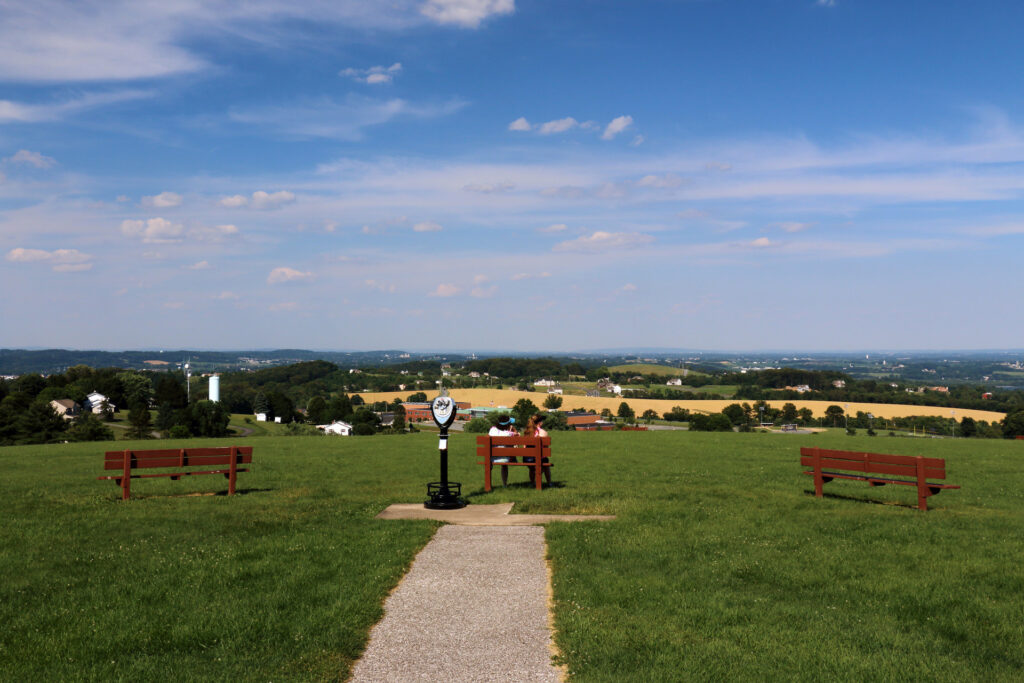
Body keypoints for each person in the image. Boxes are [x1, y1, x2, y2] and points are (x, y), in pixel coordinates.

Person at [488, 414, 518, 486]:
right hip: (504, 459)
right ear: (508, 425)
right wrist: (514, 431)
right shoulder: (509, 434)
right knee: (505, 461)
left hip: (491, 459)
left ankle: (488, 484)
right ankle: (504, 484)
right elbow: (517, 436)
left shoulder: (492, 430)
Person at [524, 413, 552, 487]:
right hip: (538, 458)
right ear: (540, 423)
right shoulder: (543, 432)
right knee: (545, 462)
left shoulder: (527, 432)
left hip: (527, 459)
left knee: (532, 466)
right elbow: (545, 447)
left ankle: (532, 483)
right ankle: (549, 483)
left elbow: (524, 447)